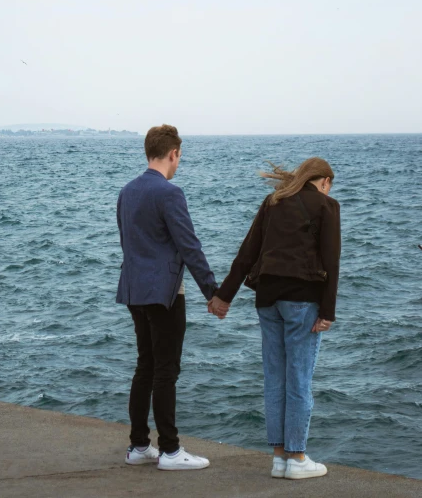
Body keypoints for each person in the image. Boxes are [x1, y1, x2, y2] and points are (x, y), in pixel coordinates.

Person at [209, 157, 341, 480]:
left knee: (275, 377)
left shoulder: (273, 202)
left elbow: (247, 253)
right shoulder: (327, 206)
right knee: (299, 378)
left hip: (267, 300)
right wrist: (328, 312)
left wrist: (223, 296)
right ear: (324, 181)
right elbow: (331, 262)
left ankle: (279, 458)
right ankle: (297, 458)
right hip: (302, 301)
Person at [117, 124, 218, 471]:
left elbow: (128, 243)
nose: (179, 164)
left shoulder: (127, 192)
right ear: (173, 153)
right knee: (166, 371)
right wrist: (213, 292)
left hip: (133, 290)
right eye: (179, 157)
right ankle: (171, 451)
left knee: (145, 366)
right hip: (165, 294)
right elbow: (189, 245)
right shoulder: (170, 193)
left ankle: (138, 446)